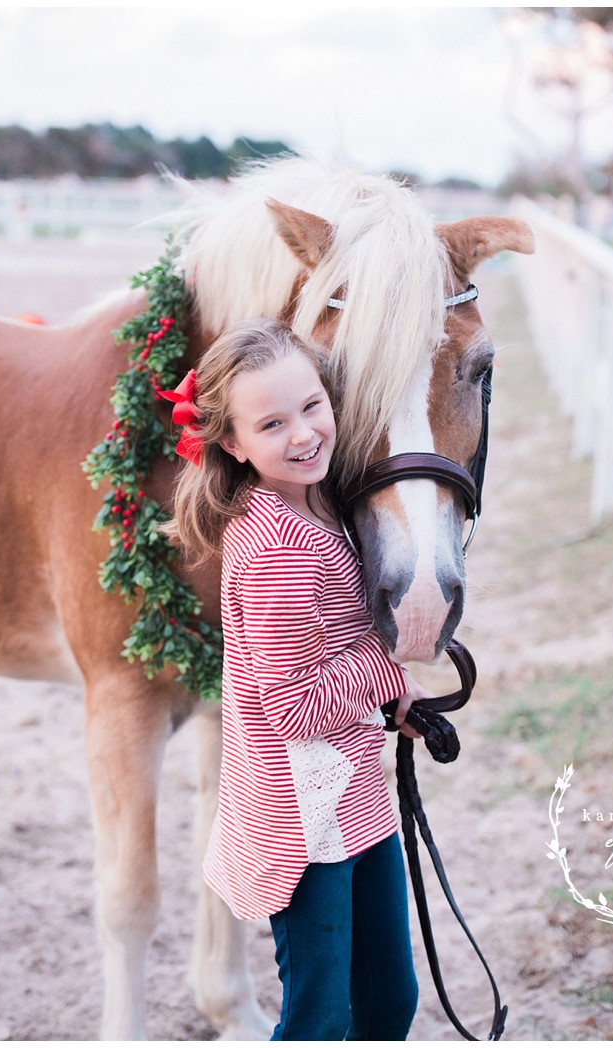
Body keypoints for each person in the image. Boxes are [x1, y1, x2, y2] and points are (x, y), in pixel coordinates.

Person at [163, 318, 424, 1039]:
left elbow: (327, 648)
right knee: (320, 1019)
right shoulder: (280, 548)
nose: (304, 433)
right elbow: (292, 705)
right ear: (233, 444)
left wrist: (388, 693)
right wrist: (382, 666)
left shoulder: (316, 504)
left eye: (312, 406)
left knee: (385, 1003)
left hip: (351, 796)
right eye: (272, 423)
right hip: (303, 825)